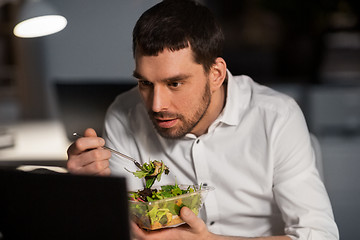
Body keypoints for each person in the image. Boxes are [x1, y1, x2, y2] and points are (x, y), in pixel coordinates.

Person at [67, 0, 339, 239]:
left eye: (175, 83)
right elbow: (122, 228)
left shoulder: (276, 117)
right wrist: (90, 192)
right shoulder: (124, 114)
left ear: (216, 74)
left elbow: (319, 235)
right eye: (145, 84)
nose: (156, 105)